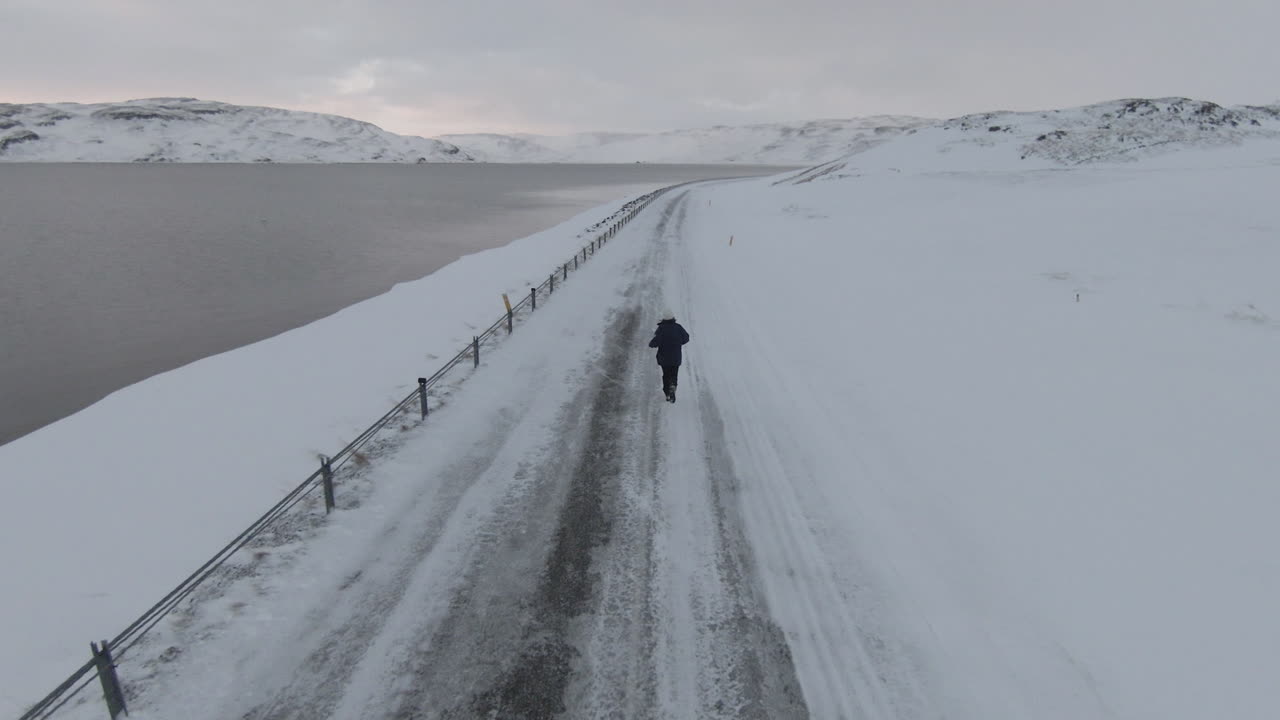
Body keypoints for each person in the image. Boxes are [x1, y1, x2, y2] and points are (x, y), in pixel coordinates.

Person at [648, 309, 690, 403]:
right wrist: (678, 342)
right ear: (673, 318)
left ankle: (667, 393)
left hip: (664, 358)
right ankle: (673, 385)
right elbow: (686, 338)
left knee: (666, 375)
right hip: (676, 357)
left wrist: (653, 343)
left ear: (664, 318)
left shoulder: (661, 329)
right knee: (674, 374)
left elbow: (653, 343)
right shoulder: (678, 327)